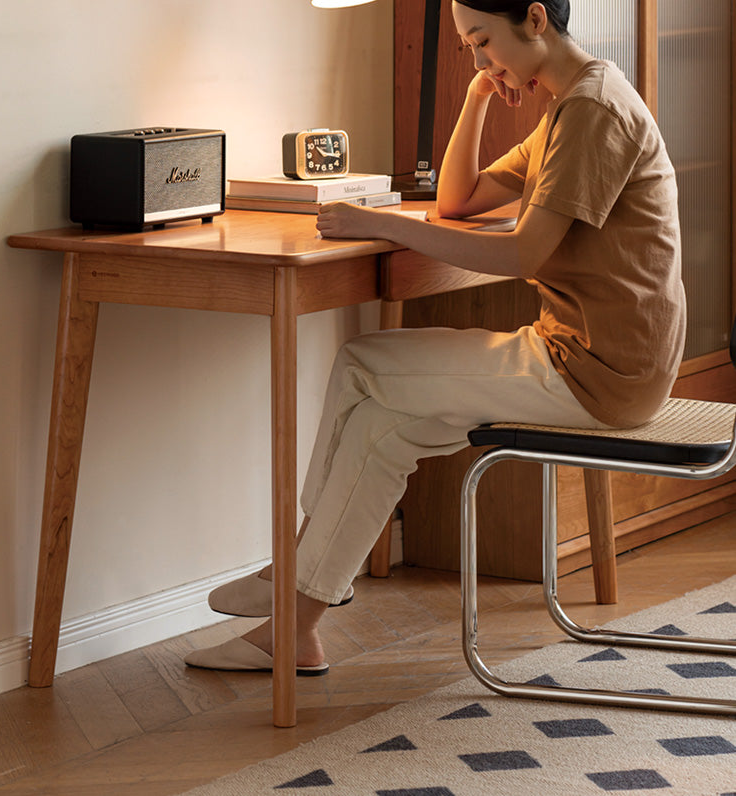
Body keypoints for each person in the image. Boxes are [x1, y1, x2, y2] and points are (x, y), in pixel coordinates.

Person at [185, 0, 685, 674]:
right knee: (380, 433)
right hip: (596, 360)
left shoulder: (591, 111)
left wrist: (383, 224)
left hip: (594, 372)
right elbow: (460, 200)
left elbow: (522, 257)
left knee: (363, 360)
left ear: (535, 19)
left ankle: (297, 563)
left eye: (483, 42)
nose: (480, 59)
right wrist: (479, 93)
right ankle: (295, 629)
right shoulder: (572, 101)